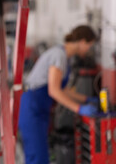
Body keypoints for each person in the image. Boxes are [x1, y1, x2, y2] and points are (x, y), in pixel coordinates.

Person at [18, 25, 98, 164]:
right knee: (37, 158)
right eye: (89, 45)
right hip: (32, 108)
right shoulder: (59, 55)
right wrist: (79, 109)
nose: (89, 50)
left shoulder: (63, 56)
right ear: (83, 41)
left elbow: (63, 89)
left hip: (39, 110)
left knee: (41, 156)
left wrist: (87, 99)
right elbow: (54, 91)